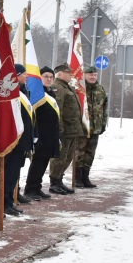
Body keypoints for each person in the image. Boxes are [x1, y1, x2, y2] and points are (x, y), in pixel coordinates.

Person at [24, 67, 61, 201]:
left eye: (51, 77)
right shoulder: (36, 94)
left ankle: (37, 187)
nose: (49, 79)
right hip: (40, 134)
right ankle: (30, 188)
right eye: (46, 76)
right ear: (40, 78)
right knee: (38, 162)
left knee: (44, 161)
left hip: (50, 133)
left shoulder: (50, 93)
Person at [48, 64, 85, 195]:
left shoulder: (67, 86)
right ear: (59, 74)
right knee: (60, 157)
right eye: (67, 72)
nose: (71, 74)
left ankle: (59, 180)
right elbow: (58, 109)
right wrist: (60, 129)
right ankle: (54, 182)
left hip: (72, 129)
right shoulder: (57, 87)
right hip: (64, 130)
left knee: (68, 157)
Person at [1, 64, 34, 217]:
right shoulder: (12, 93)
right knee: (8, 172)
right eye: (24, 74)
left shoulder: (22, 92)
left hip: (22, 140)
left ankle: (9, 201)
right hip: (13, 141)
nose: (27, 76)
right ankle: (3, 202)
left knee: (14, 173)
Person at [76, 65, 108, 189]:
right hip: (83, 126)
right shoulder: (80, 89)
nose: (93, 77)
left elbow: (104, 108)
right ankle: (77, 178)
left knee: (90, 153)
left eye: (95, 75)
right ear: (84, 75)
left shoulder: (100, 89)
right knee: (80, 152)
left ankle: (85, 177)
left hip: (96, 127)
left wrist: (103, 123)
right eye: (90, 75)